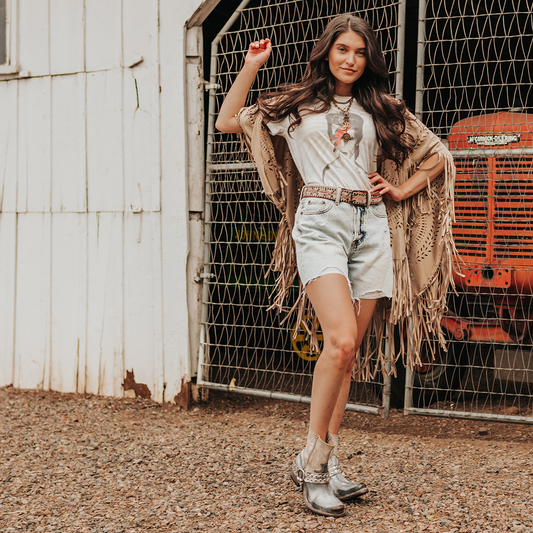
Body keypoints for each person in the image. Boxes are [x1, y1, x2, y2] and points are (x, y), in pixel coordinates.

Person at [215, 15, 455, 517]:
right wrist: (251, 67)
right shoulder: (296, 104)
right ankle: (314, 463)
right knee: (341, 339)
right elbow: (229, 120)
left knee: (346, 355)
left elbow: (436, 153)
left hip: (371, 228)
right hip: (320, 222)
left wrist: (403, 188)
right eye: (342, 49)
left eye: (360, 52)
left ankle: (323, 458)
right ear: (327, 51)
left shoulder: (381, 106)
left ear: (369, 59)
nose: (350, 59)